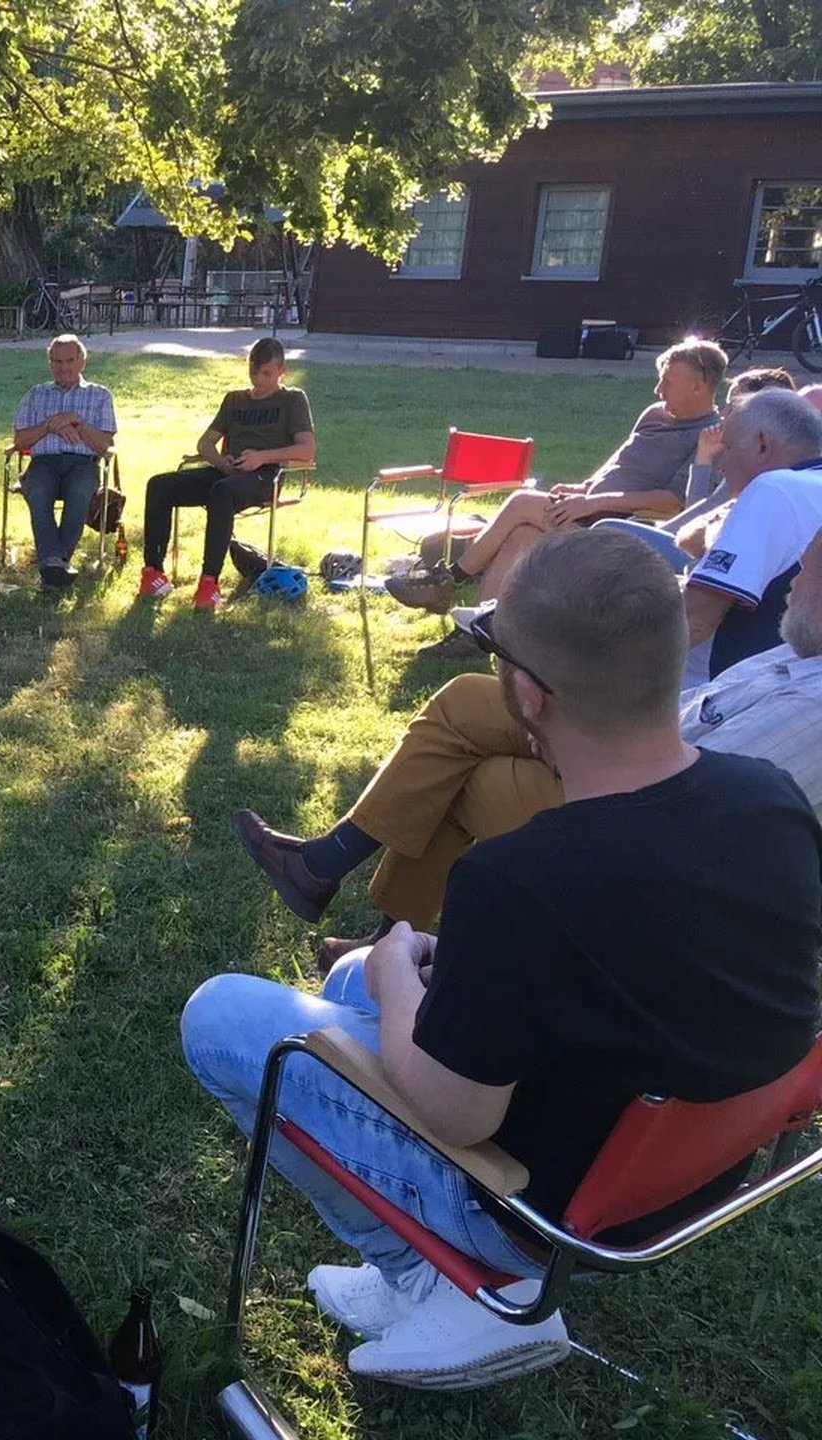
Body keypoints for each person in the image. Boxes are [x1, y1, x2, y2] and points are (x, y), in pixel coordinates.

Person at [185, 528, 822, 1393]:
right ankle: (439, 1272)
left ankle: (445, 1281)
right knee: (339, 981)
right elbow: (650, 950)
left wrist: (391, 976)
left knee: (223, 1013)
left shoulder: (520, 878)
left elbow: (457, 1119)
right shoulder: (772, 799)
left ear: (526, 693)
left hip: (544, 1210)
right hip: (695, 1170)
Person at [235, 524, 822, 966]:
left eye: (811, 567)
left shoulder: (811, 712)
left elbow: (698, 805)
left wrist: (574, 741)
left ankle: (378, 926)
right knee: (468, 699)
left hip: (635, 810)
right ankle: (337, 878)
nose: (793, 576)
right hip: (632, 735)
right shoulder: (799, 653)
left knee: (467, 777)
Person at [388, 340, 725, 621]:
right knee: (521, 535)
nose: (658, 389)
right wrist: (584, 489)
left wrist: (594, 502)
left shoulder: (708, 437)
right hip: (586, 509)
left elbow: (672, 501)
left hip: (616, 529)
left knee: (521, 502)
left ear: (698, 385)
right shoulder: (654, 414)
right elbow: (618, 464)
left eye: (667, 381)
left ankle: (449, 580)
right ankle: (478, 626)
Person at [138, 337, 314, 609]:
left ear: (282, 371)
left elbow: (307, 450)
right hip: (227, 471)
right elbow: (205, 444)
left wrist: (261, 457)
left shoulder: (292, 400)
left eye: (267, 373)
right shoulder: (234, 400)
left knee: (222, 492)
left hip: (264, 476)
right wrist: (222, 462)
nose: (259, 380)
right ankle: (153, 573)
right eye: (254, 372)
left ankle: (209, 583)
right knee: (159, 485)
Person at [590, 365, 797, 572]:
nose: (724, 413)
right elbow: (698, 511)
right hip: (676, 539)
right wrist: (703, 459)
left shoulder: (760, 468)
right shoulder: (744, 457)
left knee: (604, 533)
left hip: (698, 556)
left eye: (734, 405)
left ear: (762, 413)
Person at [680, 388, 822, 678]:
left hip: (722, 697)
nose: (720, 466)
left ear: (762, 446)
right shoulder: (807, 487)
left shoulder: (776, 488)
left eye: (727, 448)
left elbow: (693, 620)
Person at [11, 334, 117, 588]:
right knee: (37, 492)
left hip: (82, 462)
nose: (63, 367)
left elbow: (105, 445)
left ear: (82, 362)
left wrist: (76, 422)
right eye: (57, 361)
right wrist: (50, 425)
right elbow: (20, 441)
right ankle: (56, 565)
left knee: (80, 493)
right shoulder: (36, 394)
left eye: (69, 360)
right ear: (50, 364)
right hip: (44, 462)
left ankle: (52, 563)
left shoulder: (100, 395)